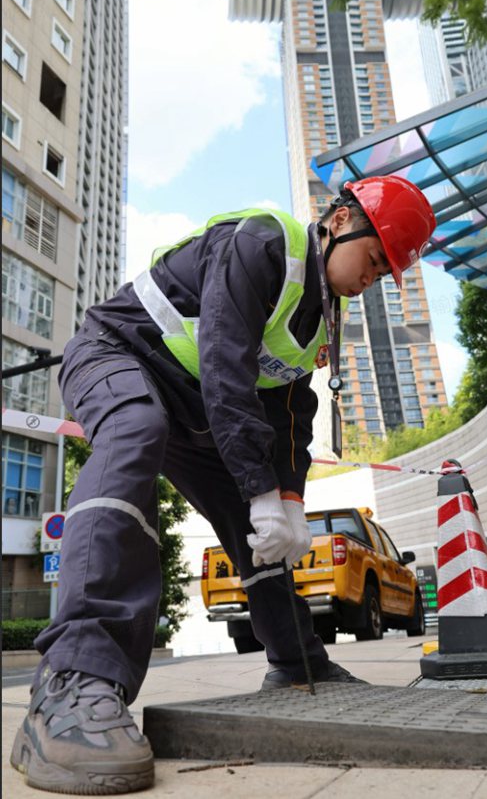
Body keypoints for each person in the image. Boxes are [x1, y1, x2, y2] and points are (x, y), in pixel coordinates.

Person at [11, 175, 436, 794]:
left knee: (250, 519)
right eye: (375, 259)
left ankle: (297, 661)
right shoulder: (264, 244)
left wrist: (286, 498)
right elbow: (224, 361)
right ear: (342, 222)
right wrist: (262, 487)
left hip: (194, 407)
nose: (373, 278)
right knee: (134, 430)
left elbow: (291, 413)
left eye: (385, 272)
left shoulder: (321, 318)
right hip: (115, 355)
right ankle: (71, 682)